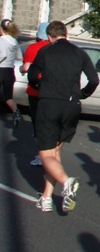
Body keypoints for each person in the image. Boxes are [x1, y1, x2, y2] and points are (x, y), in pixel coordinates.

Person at [27, 20, 100, 213]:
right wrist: (82, 94)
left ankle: (67, 182)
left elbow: (32, 76)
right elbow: (94, 80)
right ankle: (47, 197)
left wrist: (39, 87)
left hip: (50, 103)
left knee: (45, 155)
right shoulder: (80, 52)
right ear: (66, 34)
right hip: (72, 106)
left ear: (50, 37)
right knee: (55, 153)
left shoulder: (45, 51)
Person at [21, 22, 51, 165]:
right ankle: (51, 154)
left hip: (35, 90)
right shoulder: (54, 49)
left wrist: (22, 69)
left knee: (37, 125)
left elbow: (26, 68)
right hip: (52, 91)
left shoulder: (33, 48)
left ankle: (42, 155)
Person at [0, 18, 24, 126]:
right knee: (8, 97)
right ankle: (16, 112)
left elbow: (3, 54)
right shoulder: (14, 41)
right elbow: (19, 57)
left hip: (1, 69)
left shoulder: (2, 40)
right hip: (10, 71)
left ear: (2, 29)